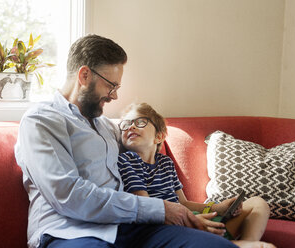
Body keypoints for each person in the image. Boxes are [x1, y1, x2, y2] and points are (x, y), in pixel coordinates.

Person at [15, 34, 239, 248]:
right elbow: (69, 196)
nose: (114, 96)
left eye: (117, 88)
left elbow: (145, 148)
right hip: (70, 232)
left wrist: (207, 208)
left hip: (129, 228)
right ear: (84, 76)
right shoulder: (41, 121)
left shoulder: (106, 126)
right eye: (111, 86)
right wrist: (159, 209)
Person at [117, 102, 276, 248]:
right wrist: (190, 222)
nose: (131, 127)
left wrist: (216, 208)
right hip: (168, 225)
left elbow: (184, 203)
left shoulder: (166, 162)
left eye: (139, 122)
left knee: (258, 203)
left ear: (159, 136)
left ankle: (245, 242)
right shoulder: (128, 160)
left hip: (192, 218)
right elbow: (147, 207)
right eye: (125, 125)